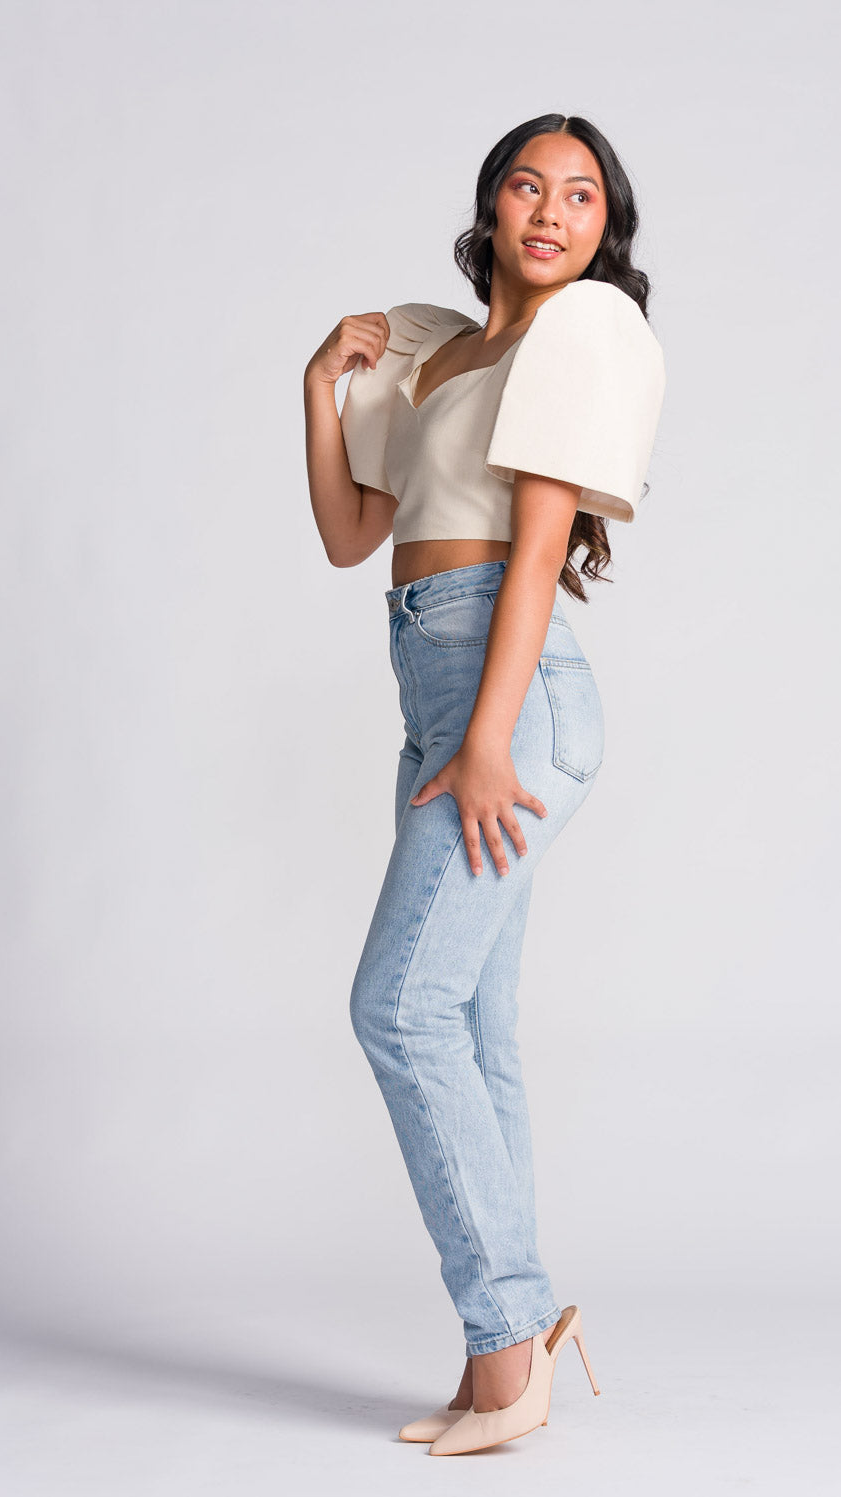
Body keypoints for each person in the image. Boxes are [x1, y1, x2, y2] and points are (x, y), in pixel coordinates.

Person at [302, 112, 666, 1456]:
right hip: (437, 689)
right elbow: (354, 535)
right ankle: (499, 1353)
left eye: (583, 195)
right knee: (473, 1025)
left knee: (398, 1004)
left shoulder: (582, 339)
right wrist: (315, 386)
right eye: (529, 184)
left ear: (603, 227)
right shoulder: (444, 350)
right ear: (491, 206)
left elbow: (537, 548)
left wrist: (493, 734)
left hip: (511, 693)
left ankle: (509, 1346)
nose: (553, 211)